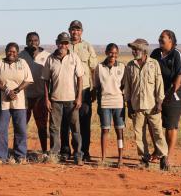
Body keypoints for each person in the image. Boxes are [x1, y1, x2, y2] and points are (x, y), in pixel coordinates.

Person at [124, 38, 169, 170]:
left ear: (144, 50)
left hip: (152, 105)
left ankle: (164, 157)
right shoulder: (130, 66)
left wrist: (160, 102)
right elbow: (127, 88)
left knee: (157, 132)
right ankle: (144, 158)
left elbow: (159, 85)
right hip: (137, 106)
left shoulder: (154, 64)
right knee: (139, 134)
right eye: (133, 49)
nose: (134, 51)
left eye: (136, 49)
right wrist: (129, 106)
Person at [42, 32, 84, 166]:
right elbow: (46, 80)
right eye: (61, 42)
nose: (63, 45)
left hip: (71, 100)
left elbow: (80, 78)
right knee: (54, 128)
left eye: (66, 43)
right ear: (57, 43)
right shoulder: (50, 59)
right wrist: (47, 99)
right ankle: (55, 154)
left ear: (68, 44)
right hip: (55, 100)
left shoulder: (74, 57)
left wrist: (79, 97)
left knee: (75, 129)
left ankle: (78, 155)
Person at [0, 42, 33, 165]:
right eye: (9, 51)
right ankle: (0, 156)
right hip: (3, 101)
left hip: (19, 101)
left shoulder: (22, 63)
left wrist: (17, 90)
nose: (11, 53)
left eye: (14, 52)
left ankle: (20, 156)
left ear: (17, 53)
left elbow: (28, 80)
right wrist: (7, 90)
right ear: (5, 51)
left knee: (21, 129)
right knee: (2, 129)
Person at [61, 20, 97, 162]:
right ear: (69, 31)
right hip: (67, 90)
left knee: (84, 121)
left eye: (78, 30)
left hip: (85, 89)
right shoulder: (64, 45)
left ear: (81, 31)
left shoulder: (87, 47)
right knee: (65, 122)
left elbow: (93, 69)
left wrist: (94, 88)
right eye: (73, 29)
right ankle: (65, 151)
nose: (75, 32)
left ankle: (83, 151)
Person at [150, 30, 181, 164]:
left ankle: (167, 156)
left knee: (170, 127)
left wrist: (168, 95)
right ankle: (158, 151)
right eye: (159, 37)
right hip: (156, 95)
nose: (159, 39)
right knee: (154, 124)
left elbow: (179, 78)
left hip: (173, 96)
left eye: (162, 37)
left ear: (170, 40)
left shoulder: (177, 55)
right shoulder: (155, 53)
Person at [19, 32, 50, 155]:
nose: (33, 43)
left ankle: (44, 151)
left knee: (42, 127)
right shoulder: (21, 56)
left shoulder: (47, 56)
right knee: (21, 125)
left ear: (39, 41)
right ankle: (20, 151)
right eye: (30, 40)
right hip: (24, 97)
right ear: (26, 42)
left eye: (35, 40)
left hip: (41, 96)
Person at [94, 43, 125, 167]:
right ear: (106, 52)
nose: (113, 55)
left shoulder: (122, 67)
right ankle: (103, 157)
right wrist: (98, 103)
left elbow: (124, 84)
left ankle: (120, 157)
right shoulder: (99, 67)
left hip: (118, 102)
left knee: (119, 130)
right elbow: (97, 86)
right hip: (105, 102)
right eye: (111, 52)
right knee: (105, 129)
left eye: (116, 53)